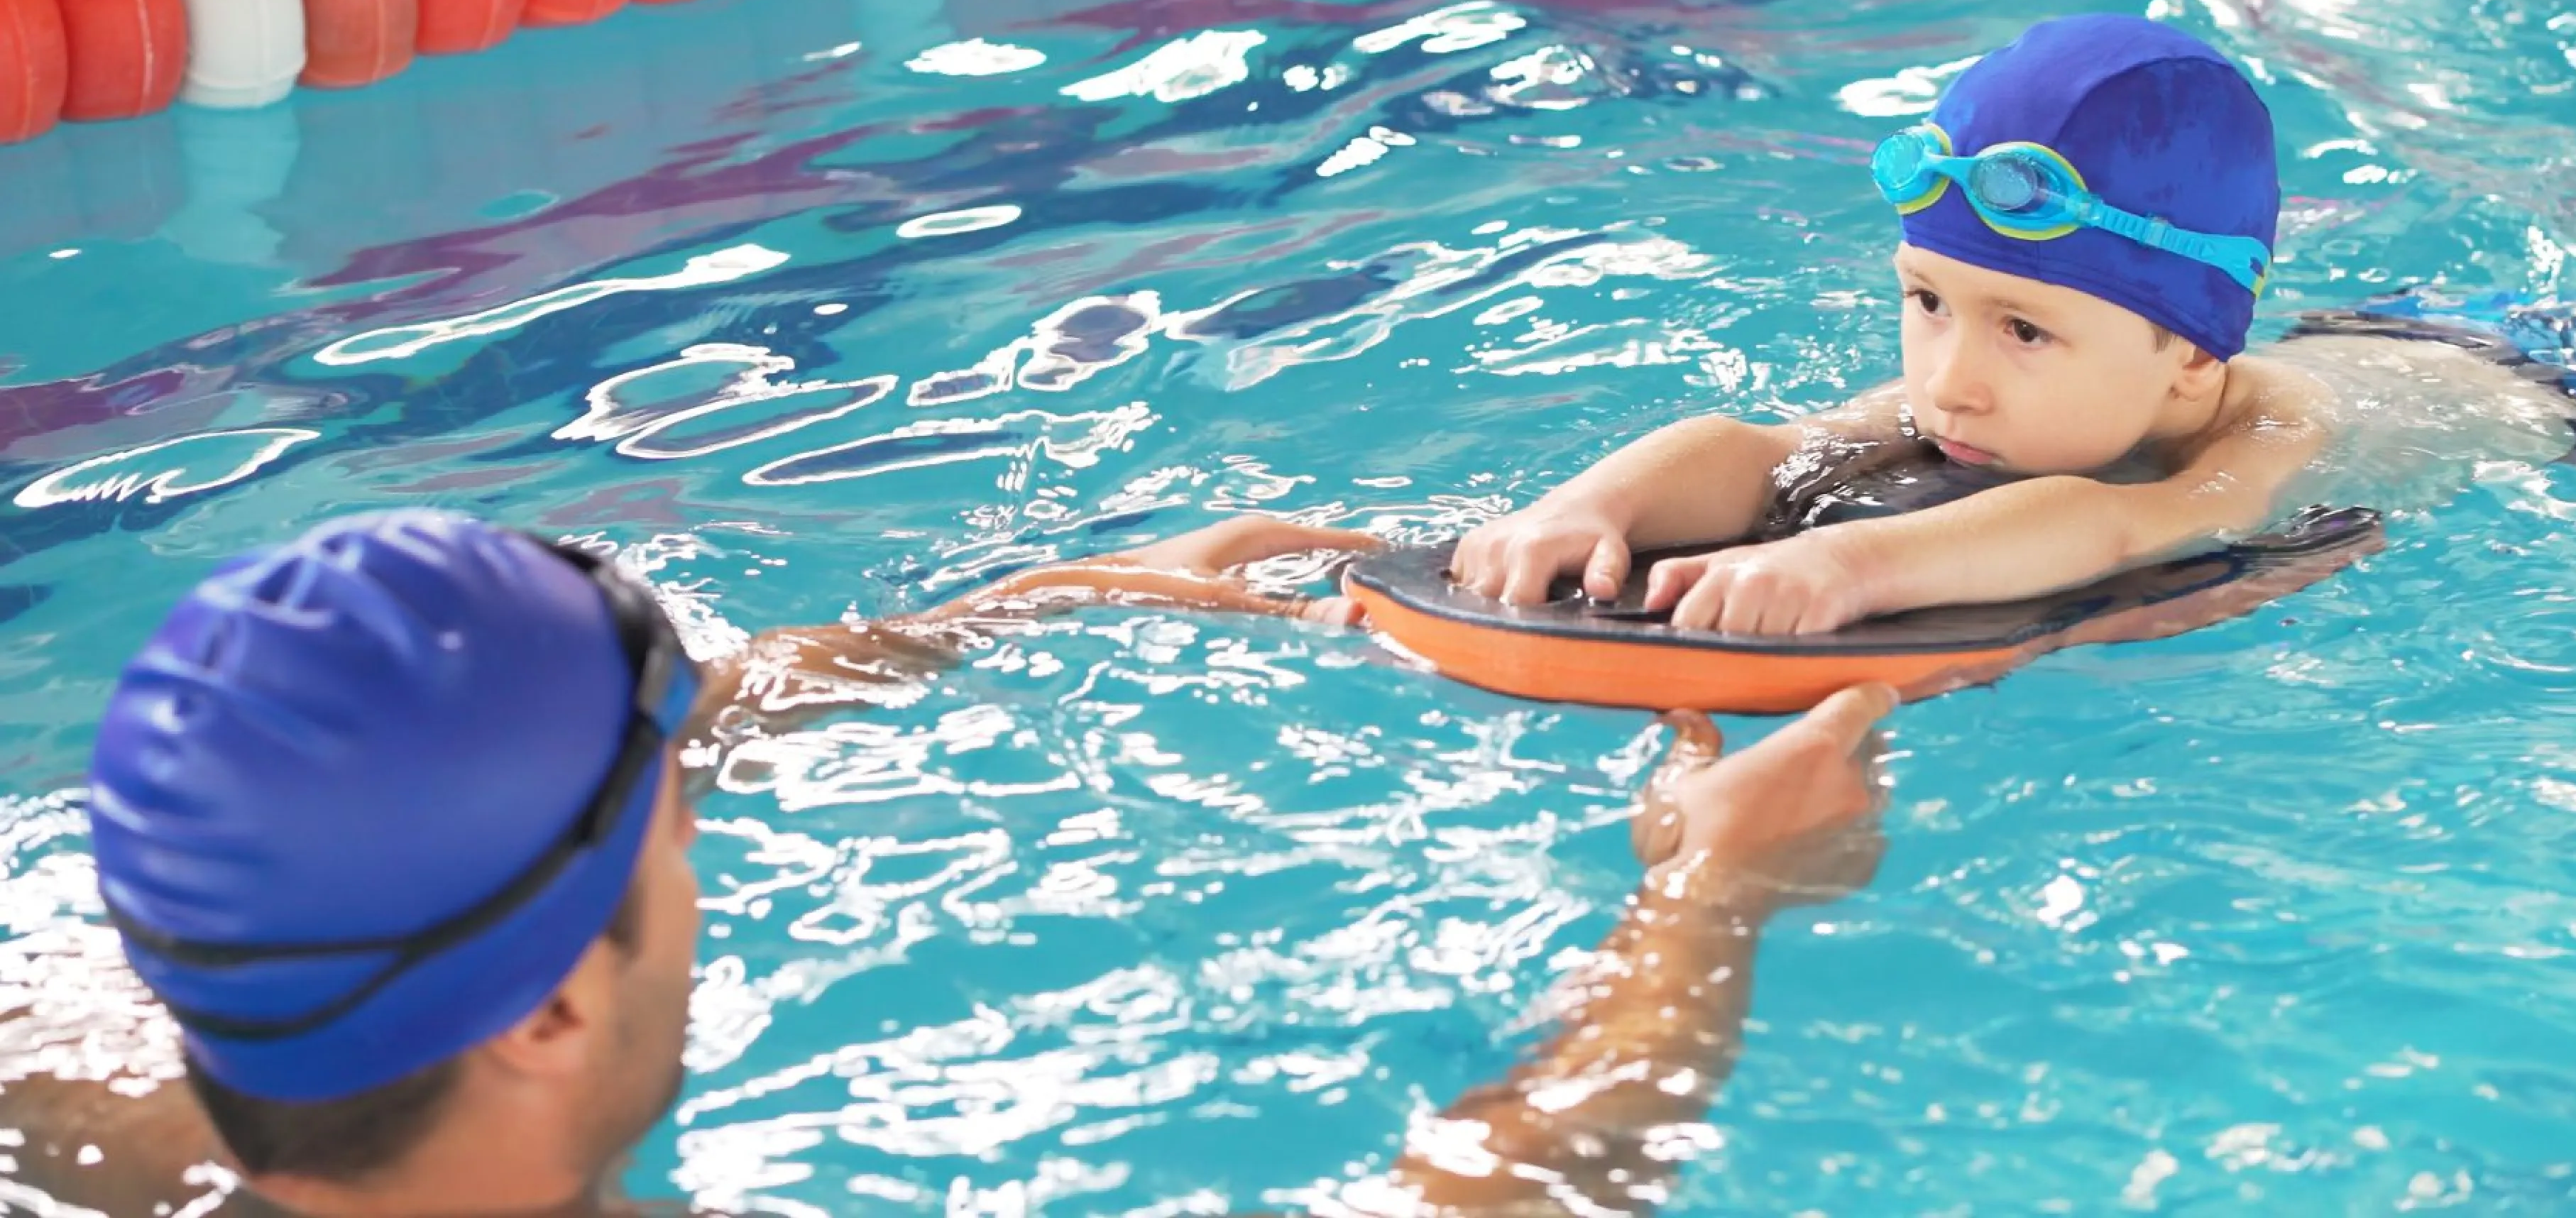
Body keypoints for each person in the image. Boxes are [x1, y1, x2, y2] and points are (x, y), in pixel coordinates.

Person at [4, 509, 1893, 1216]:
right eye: (672, 811)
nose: (705, 818)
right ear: (555, 1004)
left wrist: (1030, 607)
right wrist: (1700, 912)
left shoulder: (133, 1105)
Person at [1454, 13, 2576, 635]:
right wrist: (1584, 509)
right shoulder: (2045, 381)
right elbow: (1765, 445)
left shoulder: (2263, 438)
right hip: (2384, 322)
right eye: (1928, 303)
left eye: (2022, 333)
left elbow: (2127, 519)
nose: (1950, 384)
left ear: (2185, 363)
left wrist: (1848, 567)